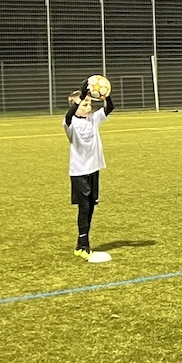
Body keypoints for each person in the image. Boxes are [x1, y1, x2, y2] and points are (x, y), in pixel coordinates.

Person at [64, 78, 115, 260]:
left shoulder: (93, 119)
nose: (89, 107)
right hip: (79, 172)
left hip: (93, 169)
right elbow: (69, 114)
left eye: (89, 104)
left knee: (91, 207)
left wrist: (106, 96)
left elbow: (110, 108)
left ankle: (81, 245)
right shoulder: (70, 123)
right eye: (85, 104)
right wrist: (82, 91)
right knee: (84, 207)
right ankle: (84, 245)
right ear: (76, 106)